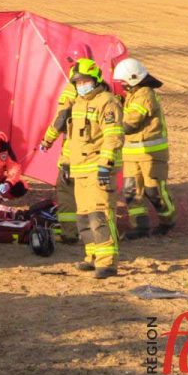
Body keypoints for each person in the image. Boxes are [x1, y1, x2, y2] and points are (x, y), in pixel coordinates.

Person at [66, 58, 124, 280]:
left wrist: (105, 165)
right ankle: (92, 255)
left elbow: (113, 136)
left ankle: (107, 262)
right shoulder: (78, 104)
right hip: (80, 169)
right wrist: (66, 163)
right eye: (78, 81)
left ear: (96, 79)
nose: (81, 84)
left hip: (98, 169)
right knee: (83, 217)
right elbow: (72, 139)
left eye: (85, 80)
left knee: (100, 215)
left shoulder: (107, 102)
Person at [113, 57, 176, 238]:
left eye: (124, 82)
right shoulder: (133, 95)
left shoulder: (145, 95)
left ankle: (167, 221)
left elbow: (130, 123)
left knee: (154, 191)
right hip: (132, 154)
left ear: (134, 79)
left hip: (151, 154)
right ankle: (140, 226)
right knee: (132, 192)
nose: (122, 86)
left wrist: (111, 123)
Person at [40, 42, 93, 244]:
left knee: (66, 191)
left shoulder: (73, 88)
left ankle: (70, 233)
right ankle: (96, 232)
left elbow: (61, 119)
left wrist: (47, 141)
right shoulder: (101, 87)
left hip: (74, 150)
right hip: (95, 150)